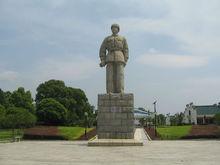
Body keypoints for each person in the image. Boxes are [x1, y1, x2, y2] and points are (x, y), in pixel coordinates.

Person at [99, 24, 129, 93]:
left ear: (118, 30)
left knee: (120, 76)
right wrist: (103, 60)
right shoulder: (107, 39)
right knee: (109, 76)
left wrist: (125, 59)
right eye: (112, 28)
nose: (114, 29)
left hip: (120, 57)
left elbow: (126, 49)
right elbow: (102, 49)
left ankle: (120, 91)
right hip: (109, 57)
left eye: (116, 28)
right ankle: (110, 91)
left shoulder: (123, 38)